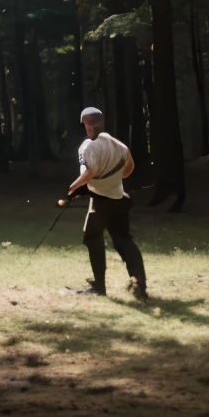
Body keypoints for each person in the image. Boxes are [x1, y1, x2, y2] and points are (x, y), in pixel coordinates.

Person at [67, 106, 148, 300]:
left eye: (85, 125)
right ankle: (140, 284)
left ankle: (99, 287)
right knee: (123, 239)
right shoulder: (120, 146)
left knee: (92, 238)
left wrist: (73, 187)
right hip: (119, 199)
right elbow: (130, 168)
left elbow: (90, 171)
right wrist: (114, 181)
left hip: (101, 202)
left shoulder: (87, 146)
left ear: (89, 126)